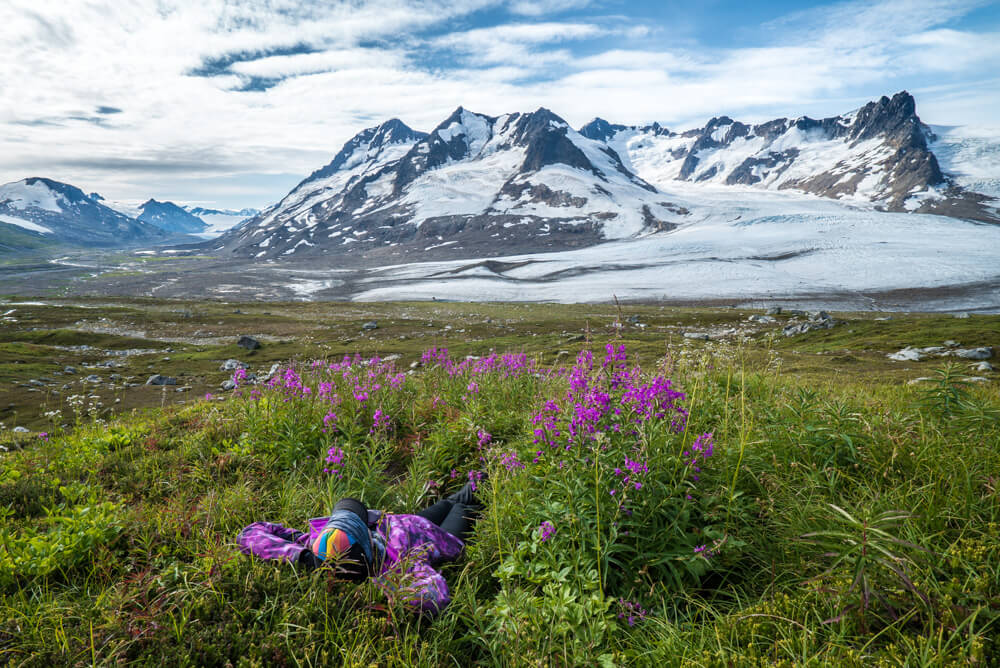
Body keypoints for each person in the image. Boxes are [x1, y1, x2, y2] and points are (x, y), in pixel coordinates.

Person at [236, 482, 481, 614]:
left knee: (448, 500)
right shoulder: (400, 566)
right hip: (438, 536)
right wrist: (383, 586)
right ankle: (491, 473)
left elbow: (250, 534)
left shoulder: (318, 546)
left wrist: (303, 558)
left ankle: (479, 476)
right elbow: (433, 598)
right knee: (465, 502)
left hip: (407, 522)